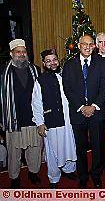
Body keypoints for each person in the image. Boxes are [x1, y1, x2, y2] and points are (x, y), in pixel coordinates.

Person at [62, 34, 105, 188]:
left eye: (90, 44)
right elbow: (68, 89)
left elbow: (104, 86)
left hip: (97, 112)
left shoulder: (101, 63)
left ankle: (96, 175)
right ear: (79, 45)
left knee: (97, 146)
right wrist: (82, 107)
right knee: (80, 147)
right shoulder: (69, 65)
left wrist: (94, 106)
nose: (87, 47)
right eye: (84, 44)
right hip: (78, 113)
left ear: (94, 46)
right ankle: (82, 176)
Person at [31, 49, 77, 189]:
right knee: (53, 151)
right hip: (52, 120)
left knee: (70, 146)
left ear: (58, 60)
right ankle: (54, 177)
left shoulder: (66, 75)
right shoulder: (40, 81)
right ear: (44, 63)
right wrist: (39, 123)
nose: (52, 63)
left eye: (54, 59)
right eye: (48, 61)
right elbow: (36, 103)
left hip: (68, 120)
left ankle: (68, 170)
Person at [0, 39, 42, 188]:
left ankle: (33, 173)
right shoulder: (3, 73)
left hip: (33, 118)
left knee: (35, 149)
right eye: (18, 52)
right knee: (14, 151)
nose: (22, 54)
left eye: (24, 51)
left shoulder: (36, 69)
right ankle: (14, 177)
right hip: (14, 119)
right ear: (12, 54)